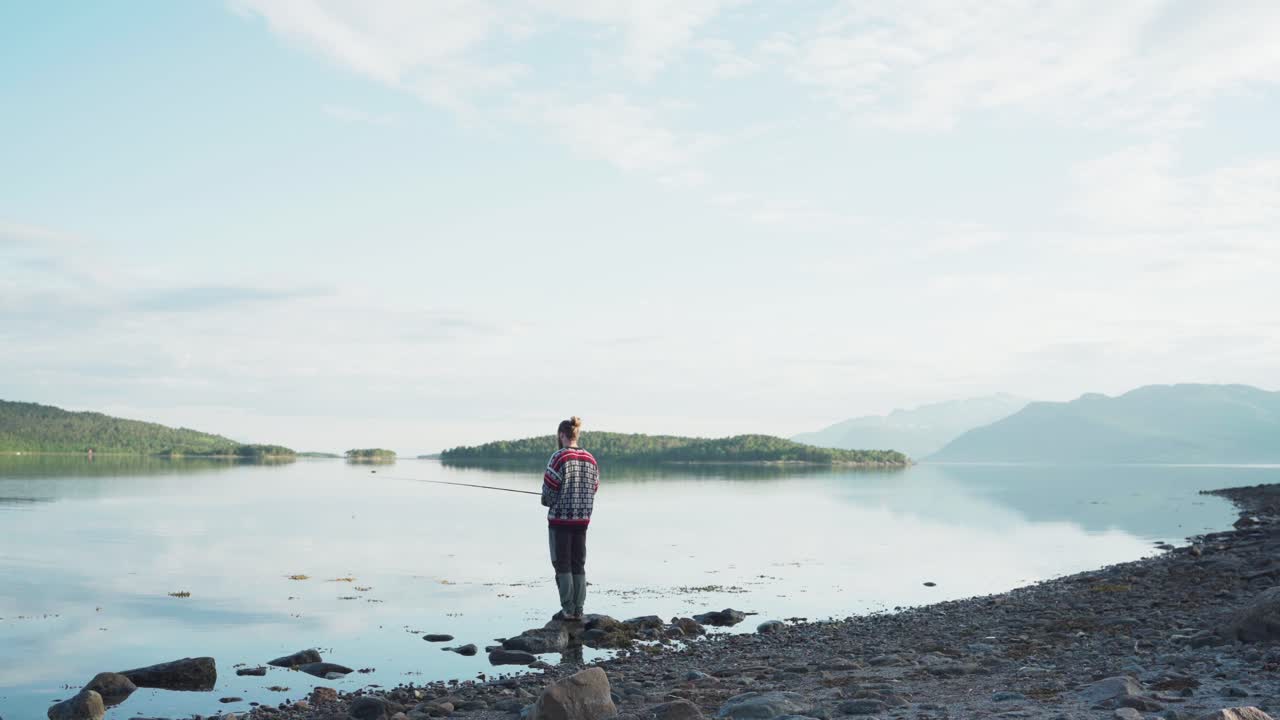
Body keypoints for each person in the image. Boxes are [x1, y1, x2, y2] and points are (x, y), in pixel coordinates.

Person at [541, 416, 599, 621]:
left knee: (562, 563)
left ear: (561, 435)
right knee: (578, 563)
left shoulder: (558, 458)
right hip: (582, 520)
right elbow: (595, 487)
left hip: (560, 521)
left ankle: (567, 609)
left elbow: (548, 492)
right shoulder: (591, 458)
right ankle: (579, 609)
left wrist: (546, 500)